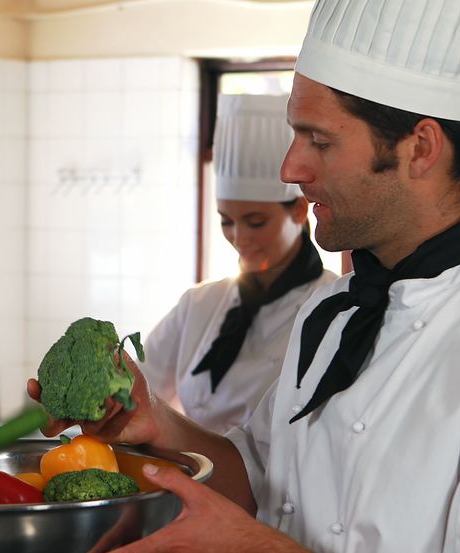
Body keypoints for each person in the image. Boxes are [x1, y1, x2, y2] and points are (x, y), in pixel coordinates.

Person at [33, 0, 460, 553]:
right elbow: (261, 479)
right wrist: (156, 420)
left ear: (420, 148)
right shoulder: (334, 309)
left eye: (319, 141)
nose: (289, 169)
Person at [142, 94, 335, 434]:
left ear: (299, 211)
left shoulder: (331, 307)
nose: (239, 237)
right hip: (187, 478)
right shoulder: (200, 304)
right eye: (226, 221)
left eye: (256, 221)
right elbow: (137, 387)